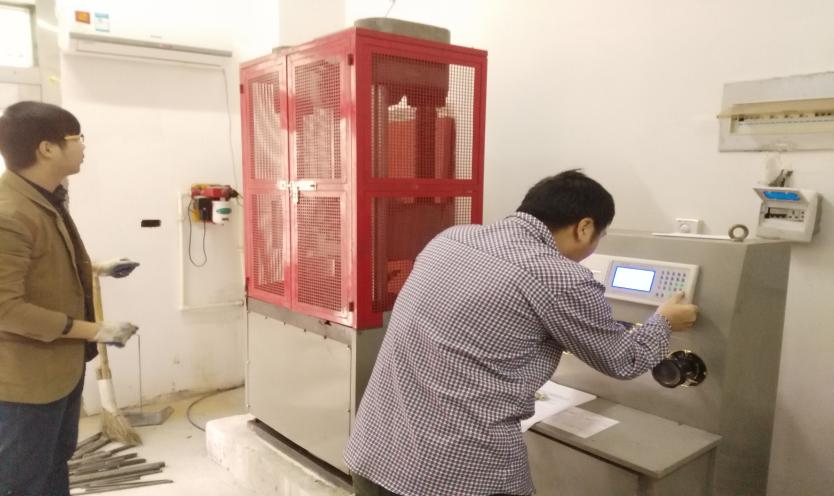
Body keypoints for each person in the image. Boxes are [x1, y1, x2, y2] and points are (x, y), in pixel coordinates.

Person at [344, 170, 699, 496]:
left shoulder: (450, 239)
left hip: (376, 453)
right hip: (456, 477)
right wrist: (664, 321)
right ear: (585, 227)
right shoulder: (560, 277)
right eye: (598, 238)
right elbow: (626, 360)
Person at [0, 101, 141, 496]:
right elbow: (6, 309)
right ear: (47, 148)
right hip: (25, 383)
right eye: (77, 138)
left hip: (59, 370)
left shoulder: (43, 196)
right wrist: (94, 330)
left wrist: (97, 268)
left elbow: (39, 265)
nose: (83, 146)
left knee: (53, 466)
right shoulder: (9, 213)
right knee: (23, 480)